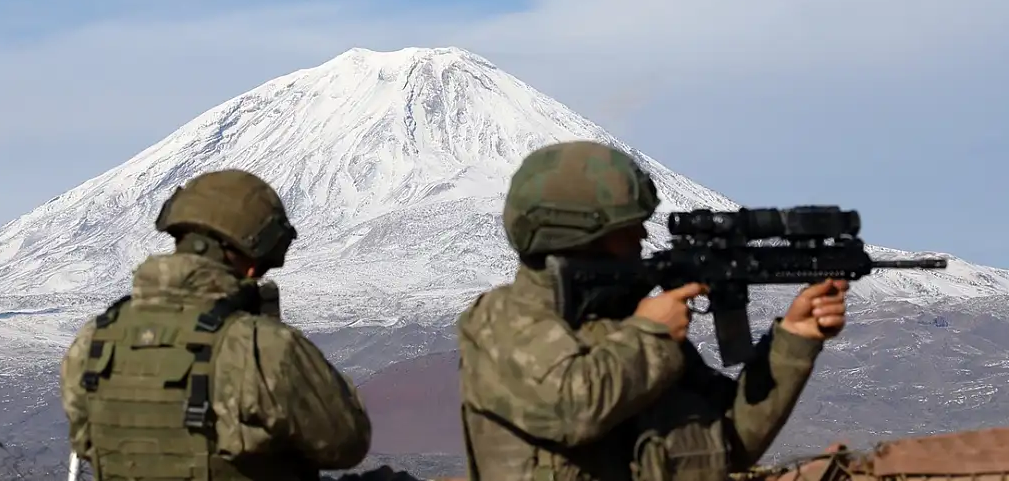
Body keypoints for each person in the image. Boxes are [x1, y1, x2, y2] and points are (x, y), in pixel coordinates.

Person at [456, 140, 849, 481]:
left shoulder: (629, 325)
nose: (643, 235)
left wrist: (794, 341)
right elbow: (572, 410)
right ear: (578, 233)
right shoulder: (499, 322)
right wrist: (651, 335)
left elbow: (730, 441)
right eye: (627, 228)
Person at [60, 169, 372, 480]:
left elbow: (86, 441)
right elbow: (345, 443)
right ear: (252, 253)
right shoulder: (257, 346)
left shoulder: (94, 341)